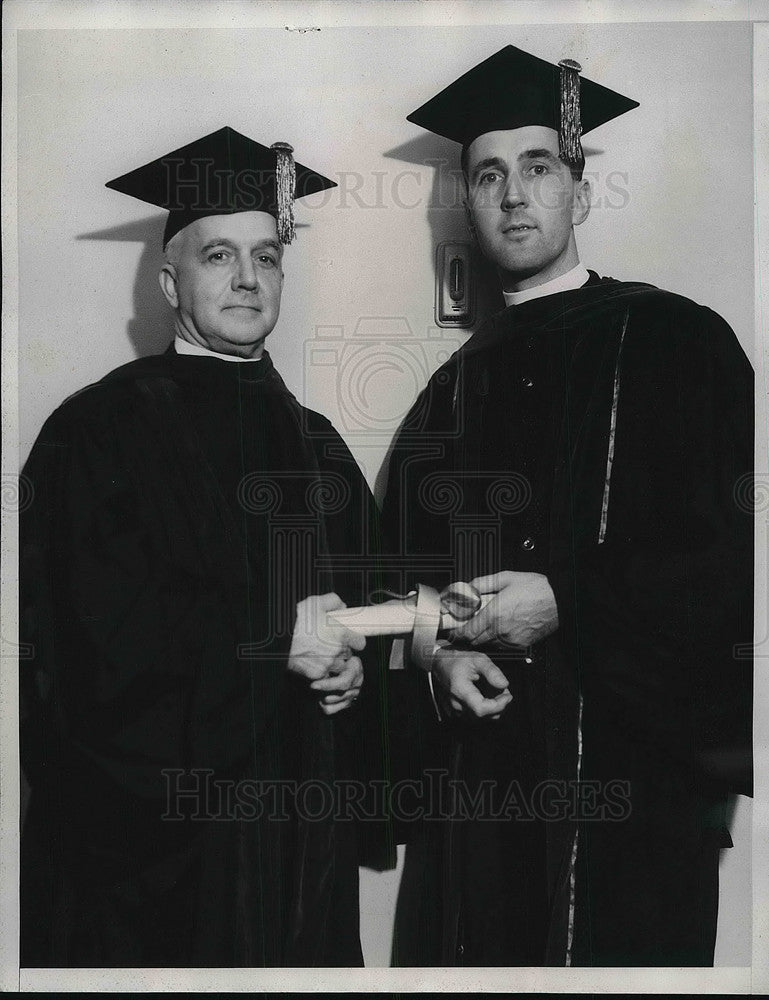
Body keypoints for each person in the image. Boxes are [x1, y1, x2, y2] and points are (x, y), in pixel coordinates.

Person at [382, 45, 753, 967]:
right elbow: (402, 573)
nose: (513, 195)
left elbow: (732, 559)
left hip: (634, 790)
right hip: (482, 798)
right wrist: (438, 653)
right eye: (488, 174)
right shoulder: (445, 394)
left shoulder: (677, 342)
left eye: (539, 167)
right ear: (466, 203)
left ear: (580, 192)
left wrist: (567, 599)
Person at [20, 126, 384, 967]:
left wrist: (352, 670)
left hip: (301, 847)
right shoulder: (96, 431)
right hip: (157, 866)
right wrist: (267, 649)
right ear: (168, 281)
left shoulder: (318, 442)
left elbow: (365, 608)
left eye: (266, 256)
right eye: (219, 255)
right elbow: (79, 653)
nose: (249, 278)